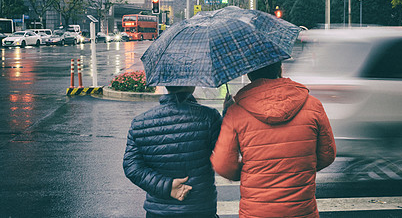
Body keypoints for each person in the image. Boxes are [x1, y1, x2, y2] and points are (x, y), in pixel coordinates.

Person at [210, 61, 336, 218]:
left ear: (249, 74)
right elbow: (327, 154)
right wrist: (298, 167)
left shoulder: (236, 112)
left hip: (257, 212)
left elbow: (224, 166)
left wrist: (254, 168)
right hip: (302, 210)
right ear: (280, 69)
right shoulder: (313, 105)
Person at [123, 86, 222, 218]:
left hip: (158, 210)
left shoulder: (140, 122)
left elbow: (132, 167)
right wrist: (227, 114)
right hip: (200, 207)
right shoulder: (209, 117)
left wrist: (168, 186)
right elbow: (226, 154)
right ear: (191, 83)